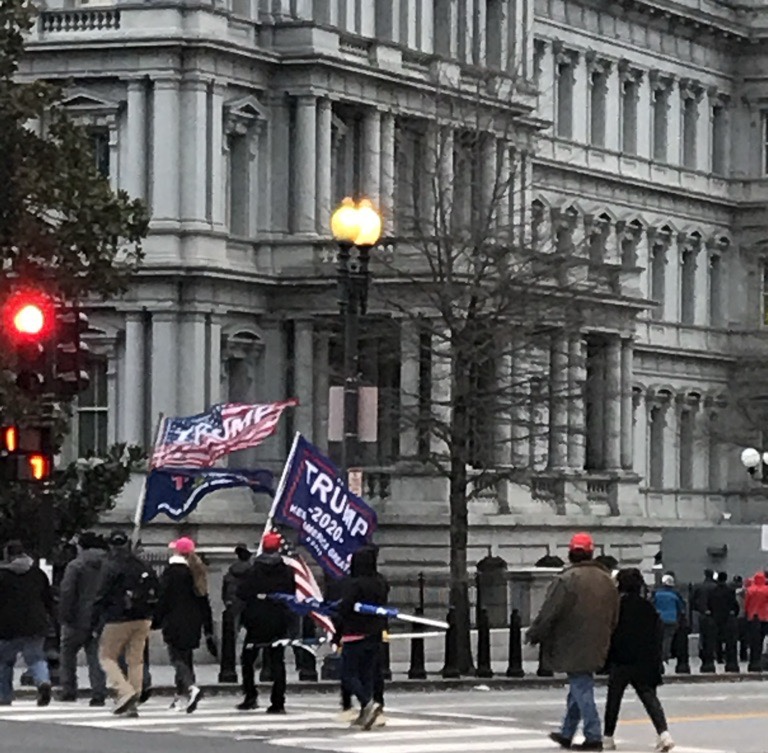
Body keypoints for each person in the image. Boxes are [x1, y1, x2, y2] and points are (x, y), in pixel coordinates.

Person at [527, 532, 619, 752]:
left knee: (581, 685)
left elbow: (550, 611)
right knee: (579, 683)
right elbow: (615, 615)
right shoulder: (607, 580)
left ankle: (593, 735)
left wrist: (535, 632)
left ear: (571, 553)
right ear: (591, 553)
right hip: (599, 639)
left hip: (570, 640)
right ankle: (567, 732)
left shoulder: (566, 579)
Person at [603, 568, 674, 753]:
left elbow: (610, 632)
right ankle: (664, 734)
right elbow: (656, 634)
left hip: (621, 658)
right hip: (644, 659)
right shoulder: (648, 607)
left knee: (614, 699)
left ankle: (608, 737)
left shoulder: (617, 606)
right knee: (649, 697)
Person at [92, 530, 159, 717]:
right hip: (143, 617)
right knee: (135, 660)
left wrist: (94, 621)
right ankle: (133, 701)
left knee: (107, 657)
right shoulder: (142, 564)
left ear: (111, 545)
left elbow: (101, 595)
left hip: (117, 617)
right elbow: (156, 588)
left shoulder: (110, 566)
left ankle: (124, 691)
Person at [154, 537, 215, 713]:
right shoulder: (196, 572)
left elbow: (163, 599)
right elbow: (204, 602)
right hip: (193, 622)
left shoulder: (171, 573)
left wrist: (156, 620)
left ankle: (190, 688)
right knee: (186, 659)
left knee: (177, 659)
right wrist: (208, 628)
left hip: (175, 620)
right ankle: (181, 697)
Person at [236, 531, 295, 713]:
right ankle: (278, 701)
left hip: (256, 620)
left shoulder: (253, 570)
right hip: (278, 620)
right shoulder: (286, 571)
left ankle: (250, 696)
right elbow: (291, 593)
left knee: (248, 659)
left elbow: (242, 592)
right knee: (277, 660)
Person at [336, 545, 389, 731]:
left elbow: (345, 608)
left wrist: (337, 628)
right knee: (367, 674)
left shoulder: (354, 584)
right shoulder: (381, 582)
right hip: (375, 632)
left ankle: (367, 703)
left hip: (354, 632)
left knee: (348, 673)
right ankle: (365, 714)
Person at [0, 541, 54, 707]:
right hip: (36, 623)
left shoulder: (2, 575)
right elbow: (48, 599)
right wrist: (51, 618)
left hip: (7, 625)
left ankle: (4, 695)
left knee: (4, 661)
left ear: (8, 555)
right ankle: (43, 681)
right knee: (36, 658)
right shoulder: (38, 574)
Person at [58, 531, 108, 705]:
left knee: (67, 654)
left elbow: (67, 591)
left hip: (77, 617)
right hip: (99, 617)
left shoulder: (76, 565)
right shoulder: (108, 564)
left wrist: (64, 615)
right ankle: (99, 692)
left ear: (81, 546)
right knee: (95, 656)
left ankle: (69, 689)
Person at [652, 574, 685, 664]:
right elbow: (681, 608)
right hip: (671, 619)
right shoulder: (674, 595)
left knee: (659, 638)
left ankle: (659, 655)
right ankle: (665, 655)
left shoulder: (657, 594)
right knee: (668, 638)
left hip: (659, 619)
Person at [707, 571, 738, 665]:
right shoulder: (730, 591)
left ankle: (719, 656)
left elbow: (709, 603)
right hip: (726, 617)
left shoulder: (712, 591)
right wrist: (734, 613)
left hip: (715, 616)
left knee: (717, 638)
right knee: (729, 638)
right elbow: (734, 604)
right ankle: (729, 657)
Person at [745, 572, 768, 670]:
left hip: (752, 617)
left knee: (754, 640)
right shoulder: (766, 590)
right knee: (762, 639)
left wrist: (747, 612)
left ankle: (753, 660)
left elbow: (746, 603)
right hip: (765, 617)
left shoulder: (750, 590)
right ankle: (761, 659)